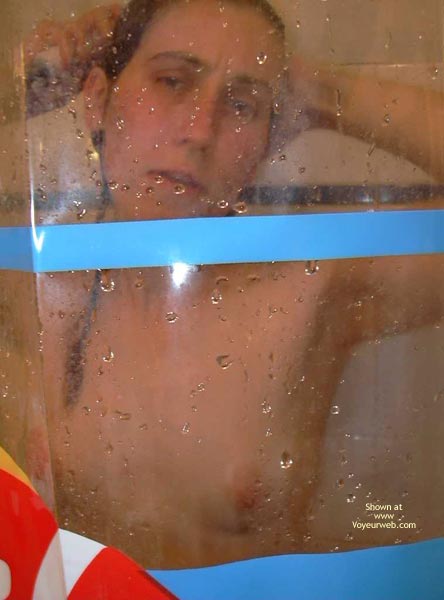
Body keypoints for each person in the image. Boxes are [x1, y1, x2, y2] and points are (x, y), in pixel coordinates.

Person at [3, 0, 444, 569]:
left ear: (270, 135)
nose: (200, 130)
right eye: (171, 81)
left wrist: (317, 91)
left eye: (242, 104)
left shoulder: (311, 288)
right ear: (97, 100)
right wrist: (26, 81)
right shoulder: (35, 282)